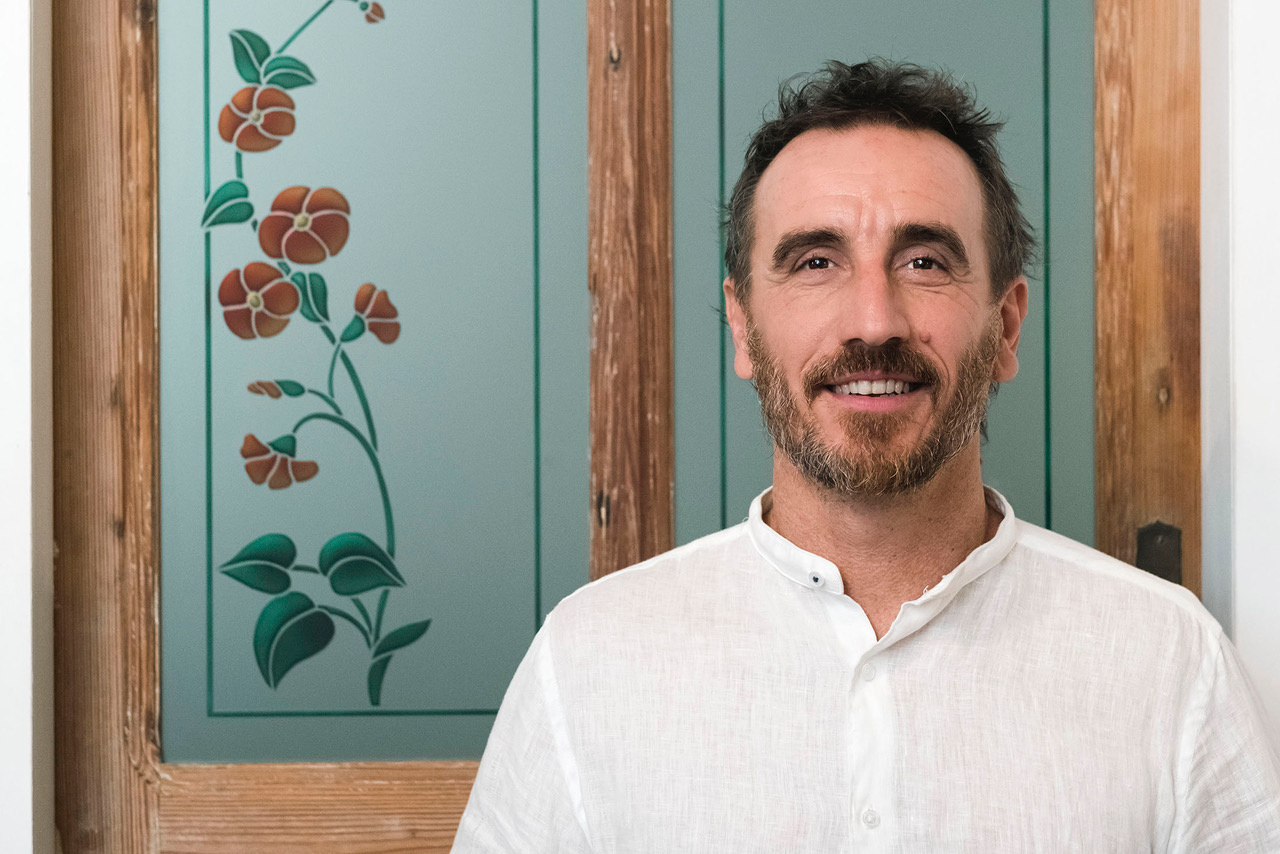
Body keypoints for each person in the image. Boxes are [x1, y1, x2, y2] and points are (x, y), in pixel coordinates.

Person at [453, 59, 1280, 851]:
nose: (874, 321)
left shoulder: (1172, 664)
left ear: (1006, 326)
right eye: (817, 262)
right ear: (742, 325)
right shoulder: (588, 663)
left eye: (925, 262)